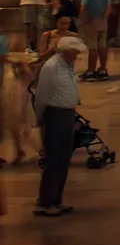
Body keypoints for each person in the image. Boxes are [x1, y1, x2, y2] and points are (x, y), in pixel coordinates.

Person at [31, 35, 83, 217]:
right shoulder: (51, 67)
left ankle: (57, 199)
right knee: (53, 160)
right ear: (66, 52)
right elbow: (42, 96)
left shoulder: (68, 66)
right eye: (74, 52)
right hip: (54, 114)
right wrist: (39, 117)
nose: (77, 55)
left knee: (63, 159)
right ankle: (45, 202)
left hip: (67, 113)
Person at [78, 0, 111, 81]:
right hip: (102, 21)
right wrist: (104, 18)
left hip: (91, 22)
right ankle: (102, 69)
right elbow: (108, 8)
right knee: (102, 46)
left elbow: (83, 9)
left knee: (93, 48)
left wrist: (85, 20)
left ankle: (90, 71)